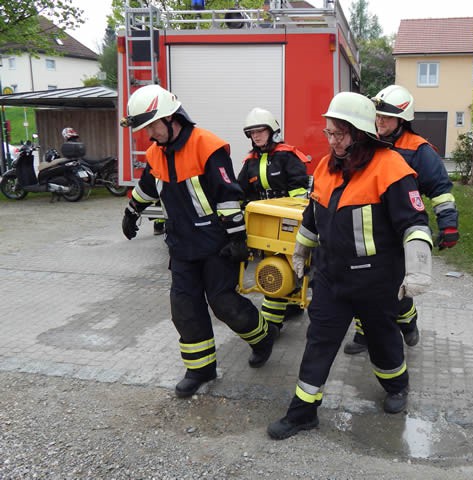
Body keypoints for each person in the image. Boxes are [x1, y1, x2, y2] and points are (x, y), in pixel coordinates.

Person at [267, 92, 434, 440]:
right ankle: (302, 413)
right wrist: (301, 250)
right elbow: (312, 216)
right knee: (319, 340)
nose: (332, 141)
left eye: (339, 134)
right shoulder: (325, 167)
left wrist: (418, 268)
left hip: (376, 280)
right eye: (329, 132)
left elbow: (414, 223)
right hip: (331, 277)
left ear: (360, 133)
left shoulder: (391, 169)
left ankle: (397, 386)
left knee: (382, 339)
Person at [119, 84, 278, 398]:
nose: (149, 135)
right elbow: (148, 186)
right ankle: (201, 369)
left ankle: (263, 337)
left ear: (170, 118)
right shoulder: (156, 153)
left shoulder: (207, 146)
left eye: (152, 126)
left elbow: (228, 196)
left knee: (224, 304)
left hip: (215, 244)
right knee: (185, 308)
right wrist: (132, 210)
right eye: (145, 129)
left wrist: (238, 239)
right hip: (181, 245)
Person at [342, 84, 460, 355]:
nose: (380, 121)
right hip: (368, 227)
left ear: (402, 120)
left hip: (401, 228)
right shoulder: (366, 142)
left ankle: (407, 322)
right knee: (363, 282)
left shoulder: (419, 151)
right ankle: (364, 332)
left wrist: (448, 225)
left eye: (387, 117)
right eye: (378, 115)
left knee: (393, 285)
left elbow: (440, 190)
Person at [238, 107, 310, 331]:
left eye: (260, 131)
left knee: (288, 266)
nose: (256, 136)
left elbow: (300, 193)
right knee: (276, 267)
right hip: (266, 225)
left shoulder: (287, 156)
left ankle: (277, 319)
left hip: (289, 222)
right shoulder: (250, 162)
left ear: (272, 132)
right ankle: (281, 315)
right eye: (252, 133)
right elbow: (240, 191)